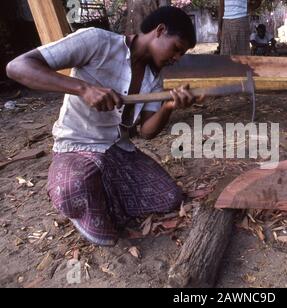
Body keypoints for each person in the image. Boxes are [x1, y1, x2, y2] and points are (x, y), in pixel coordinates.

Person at [6, 6, 197, 246]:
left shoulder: (153, 78)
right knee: (70, 192)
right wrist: (82, 88)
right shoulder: (96, 41)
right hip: (77, 146)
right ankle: (88, 194)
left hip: (117, 151)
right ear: (159, 31)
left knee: (169, 197)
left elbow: (147, 133)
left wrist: (169, 106)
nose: (176, 58)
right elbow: (17, 67)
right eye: (177, 48)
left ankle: (101, 190)